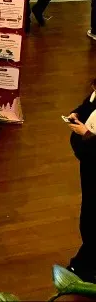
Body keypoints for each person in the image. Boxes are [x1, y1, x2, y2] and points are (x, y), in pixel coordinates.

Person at [65, 77, 96, 282]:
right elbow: (87, 105)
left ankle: (87, 267)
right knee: (89, 214)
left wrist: (85, 134)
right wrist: (76, 114)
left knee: (93, 217)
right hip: (90, 167)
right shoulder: (95, 95)